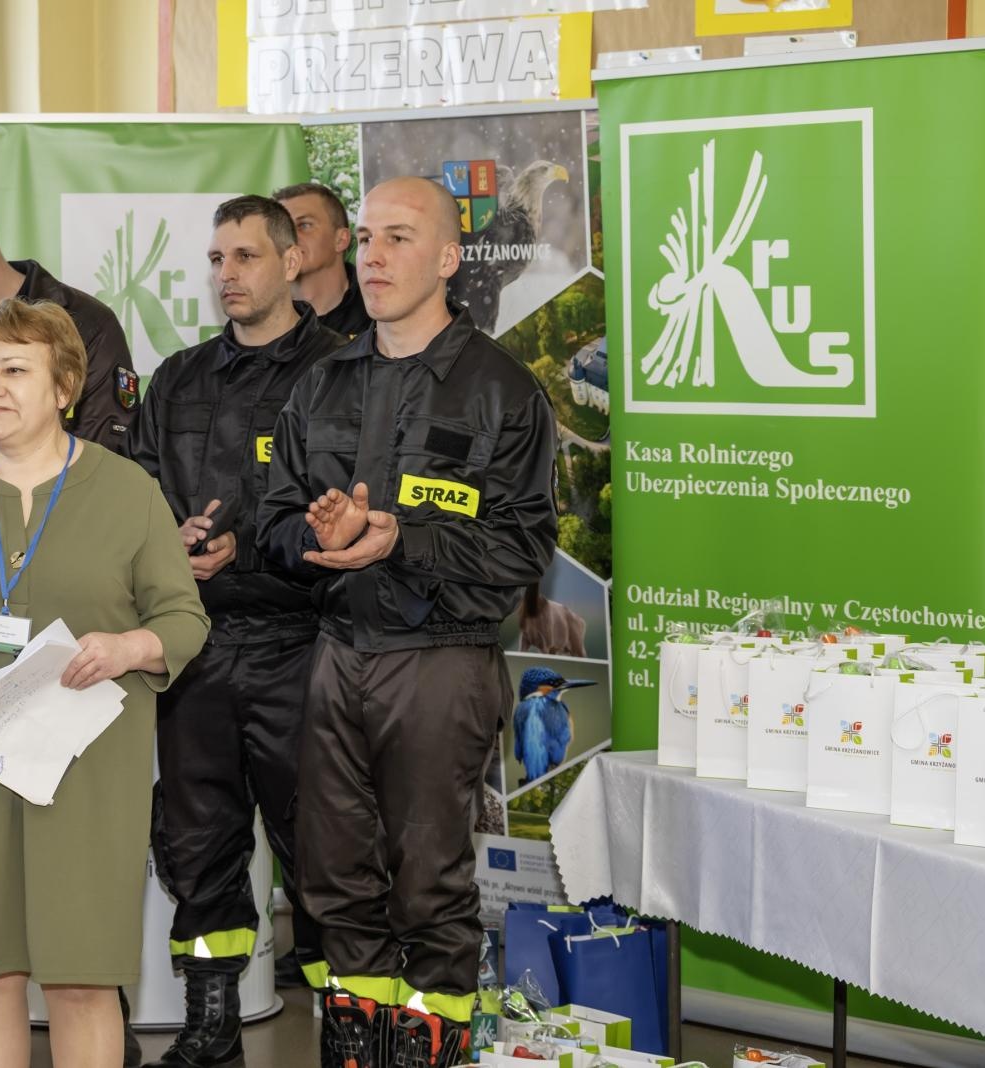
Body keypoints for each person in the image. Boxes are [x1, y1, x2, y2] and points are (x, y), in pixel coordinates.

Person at [257, 177, 557, 1068]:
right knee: (333, 888)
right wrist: (318, 538)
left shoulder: (502, 389)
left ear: (448, 258)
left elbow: (521, 552)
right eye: (368, 241)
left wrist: (397, 539)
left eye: (399, 237)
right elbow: (270, 523)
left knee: (429, 889)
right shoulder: (322, 384)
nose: (374, 258)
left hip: (441, 665)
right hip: (334, 657)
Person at [0, 297, 208, 1068]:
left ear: (64, 387)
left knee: (82, 979)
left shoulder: (128, 492)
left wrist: (127, 647)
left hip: (79, 766)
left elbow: (185, 621)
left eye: (16, 369)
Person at [121, 195, 344, 1068]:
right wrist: (165, 544)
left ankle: (346, 1026)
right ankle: (209, 1023)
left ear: (292, 261)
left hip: (304, 645)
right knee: (197, 839)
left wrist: (245, 548)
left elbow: (344, 508)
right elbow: (138, 486)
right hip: (195, 648)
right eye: (217, 259)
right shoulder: (176, 376)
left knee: (321, 845)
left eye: (246, 256)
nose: (228, 275)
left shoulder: (342, 372)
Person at [274, 182, 371, 339]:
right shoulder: (260, 316)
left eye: (304, 225)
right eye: (282, 228)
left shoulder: (379, 312)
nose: (289, 237)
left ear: (340, 240)